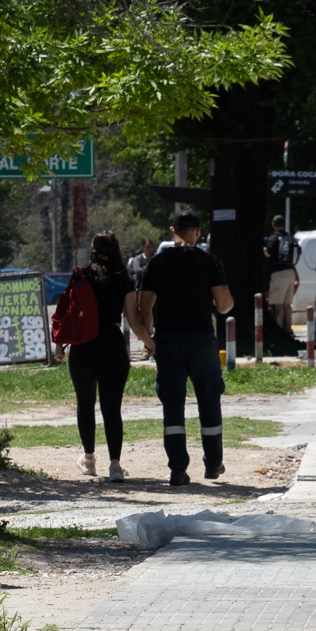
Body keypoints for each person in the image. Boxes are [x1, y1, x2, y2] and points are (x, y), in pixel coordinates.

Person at [125, 207, 233, 486]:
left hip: (169, 341)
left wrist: (149, 339)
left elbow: (144, 307)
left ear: (172, 232)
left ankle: (177, 469)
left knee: (173, 406)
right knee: (209, 401)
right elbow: (224, 305)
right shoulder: (210, 262)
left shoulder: (157, 264)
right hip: (201, 341)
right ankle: (213, 464)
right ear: (198, 232)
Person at [59, 232, 137, 481]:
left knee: (85, 403)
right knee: (112, 408)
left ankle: (89, 460)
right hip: (113, 344)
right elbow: (133, 320)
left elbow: (68, 312)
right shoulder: (123, 279)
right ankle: (115, 465)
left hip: (84, 346)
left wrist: (60, 345)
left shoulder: (82, 276)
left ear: (93, 250)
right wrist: (149, 342)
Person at [264, 214, 297, 357]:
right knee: (287, 304)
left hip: (278, 274)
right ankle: (289, 330)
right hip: (291, 272)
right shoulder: (291, 238)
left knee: (277, 305)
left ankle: (278, 332)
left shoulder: (272, 238)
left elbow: (268, 254)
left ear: (273, 224)